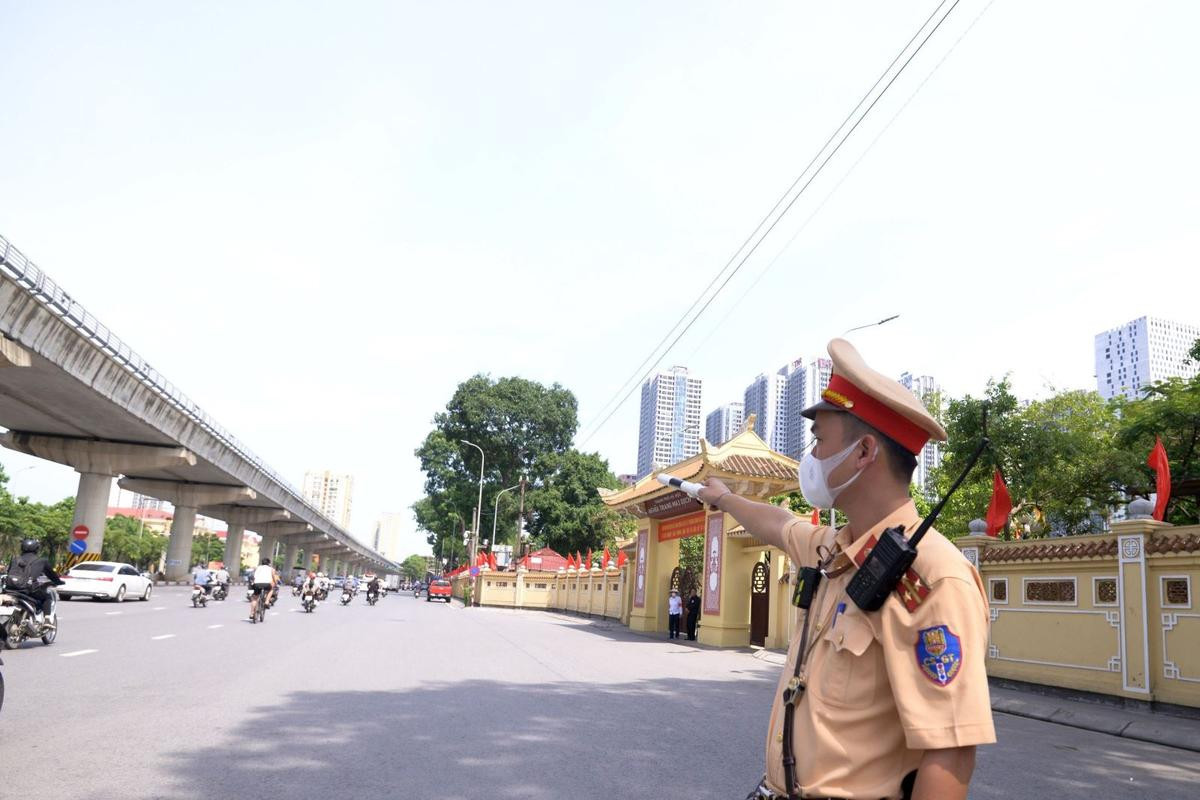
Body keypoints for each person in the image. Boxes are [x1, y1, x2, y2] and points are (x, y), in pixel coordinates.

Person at [696, 339, 994, 800]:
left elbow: (950, 754)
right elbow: (779, 525)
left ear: (863, 452)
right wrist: (723, 498)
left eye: (819, 442)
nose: (810, 459)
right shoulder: (834, 549)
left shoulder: (933, 577)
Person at [4, 538, 64, 615]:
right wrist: (58, 581)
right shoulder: (42, 561)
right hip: (28, 590)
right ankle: (47, 620)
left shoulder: (15, 559)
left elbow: (9, 572)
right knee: (47, 597)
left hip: (10, 589)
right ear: (37, 549)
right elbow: (51, 575)